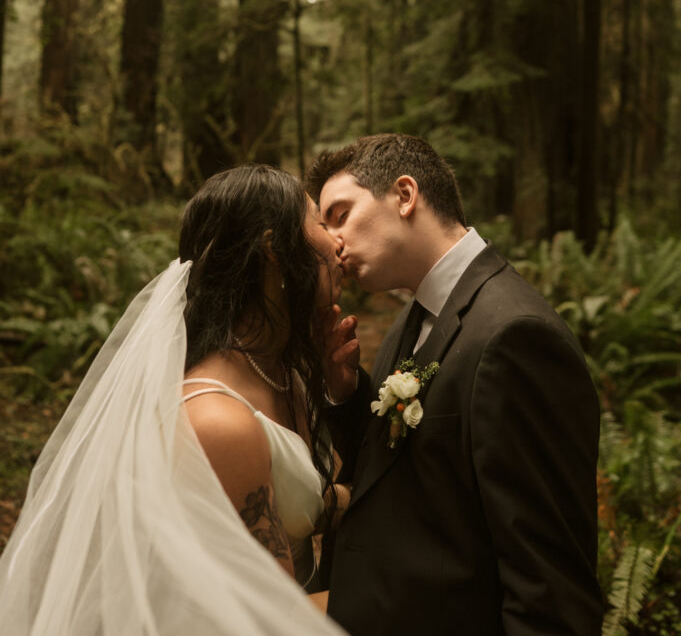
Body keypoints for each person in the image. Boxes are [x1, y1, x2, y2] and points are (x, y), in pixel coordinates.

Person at [0, 164, 347, 636]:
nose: (338, 241)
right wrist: (422, 594)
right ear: (272, 249)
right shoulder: (219, 421)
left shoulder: (284, 374)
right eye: (321, 224)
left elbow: (305, 500)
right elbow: (272, 620)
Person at [307, 133, 604, 636]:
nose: (332, 243)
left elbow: (548, 584)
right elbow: (406, 473)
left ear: (405, 196)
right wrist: (345, 392)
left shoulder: (516, 336)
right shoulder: (411, 319)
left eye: (339, 214)